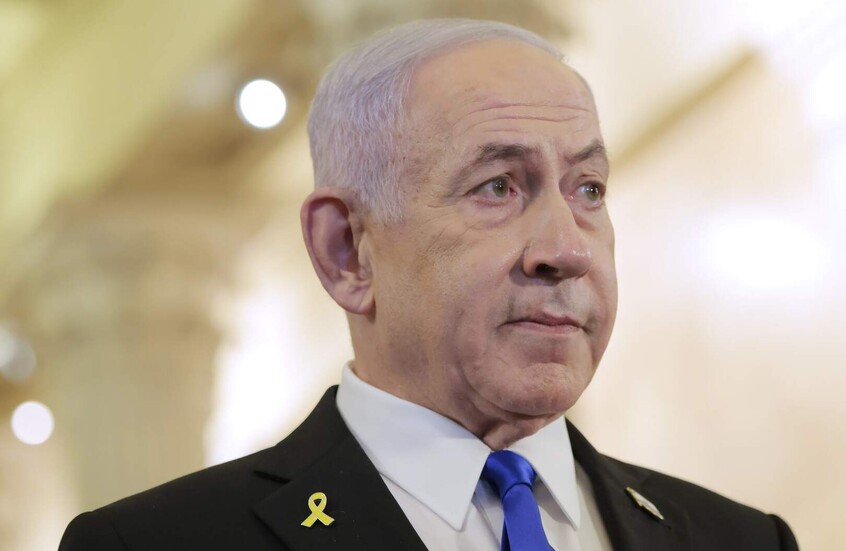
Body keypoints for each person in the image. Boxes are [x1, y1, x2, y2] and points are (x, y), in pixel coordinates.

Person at [59, 19, 799, 551]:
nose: (567, 249)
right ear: (347, 251)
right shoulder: (156, 542)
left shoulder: (742, 539)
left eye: (589, 189)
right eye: (498, 186)